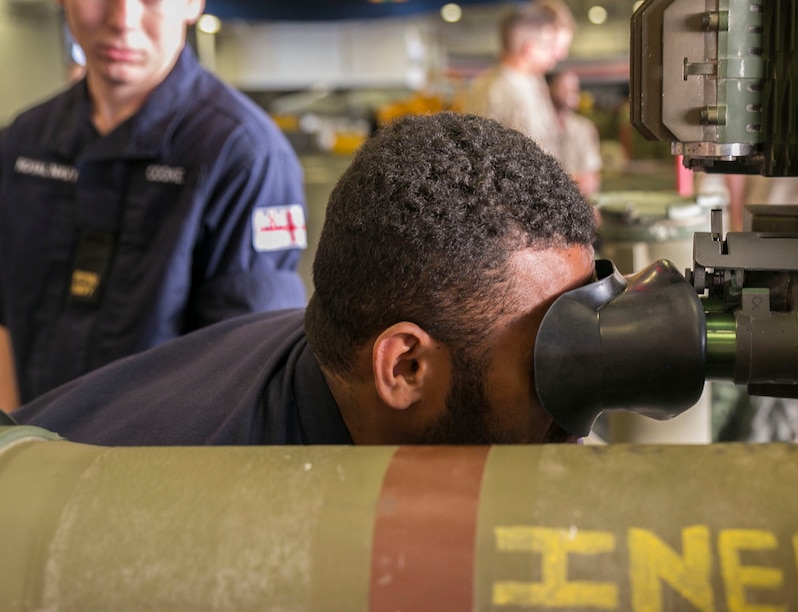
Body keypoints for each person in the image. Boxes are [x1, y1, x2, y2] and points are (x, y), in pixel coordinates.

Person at [12, 112, 599, 447]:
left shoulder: (328, 350)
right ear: (403, 367)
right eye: (547, 362)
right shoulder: (204, 528)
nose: (577, 421)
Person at [0, 0, 308, 410]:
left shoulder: (247, 157)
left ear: (193, 4)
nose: (122, 19)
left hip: (162, 460)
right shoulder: (22, 142)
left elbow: (247, 368)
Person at [464, 2, 569, 157]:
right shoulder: (505, 90)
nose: (555, 55)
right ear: (529, 49)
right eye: (547, 46)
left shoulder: (524, 82)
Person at [546, 69, 602, 197]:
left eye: (574, 87)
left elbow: (591, 176)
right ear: (549, 88)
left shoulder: (585, 128)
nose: (572, 92)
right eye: (564, 87)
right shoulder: (537, 126)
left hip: (577, 201)